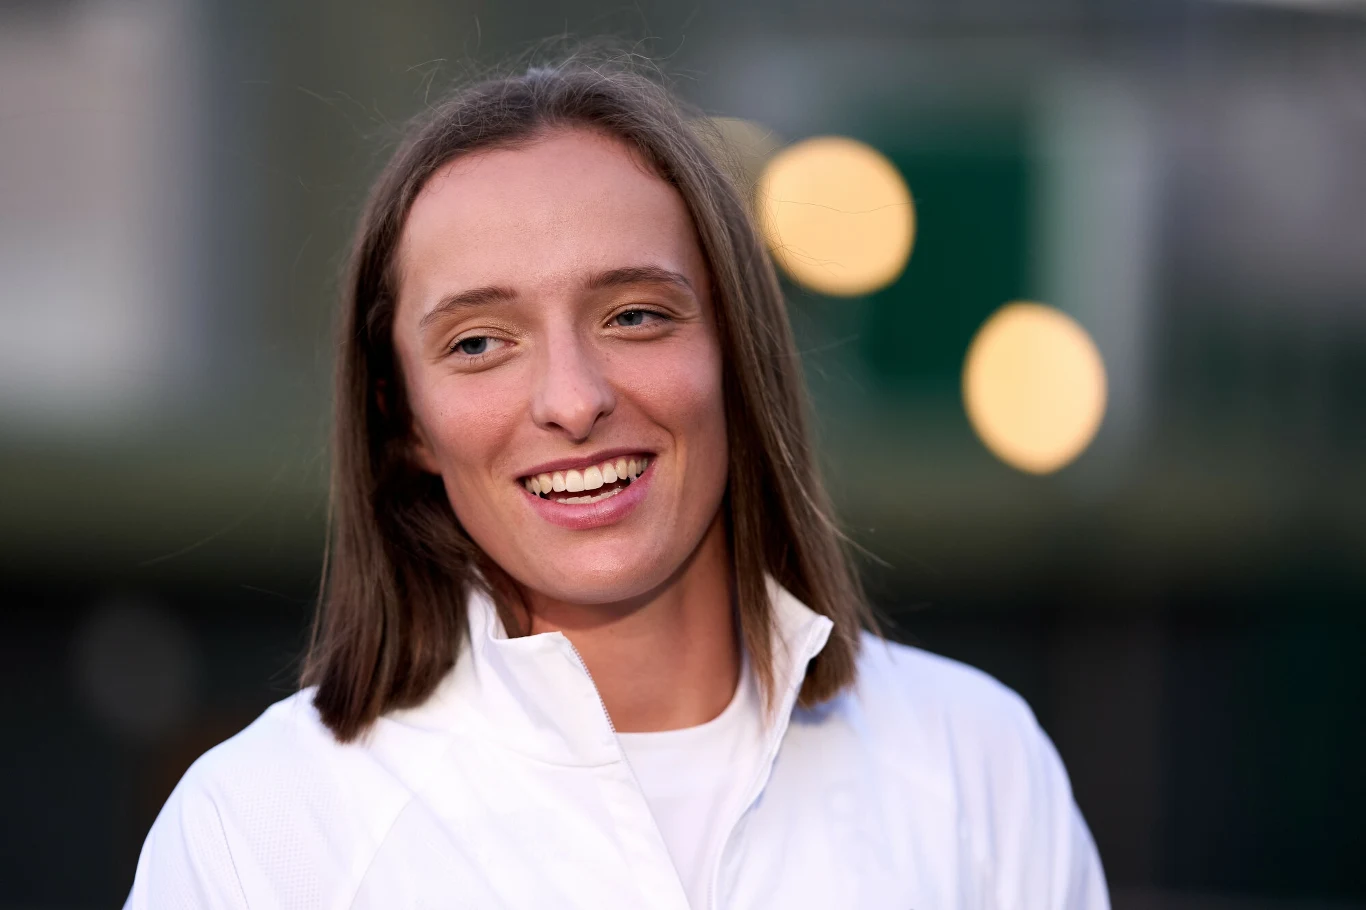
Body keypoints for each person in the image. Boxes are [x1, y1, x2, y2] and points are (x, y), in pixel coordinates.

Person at [125, 52, 1109, 910]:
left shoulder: (974, 765)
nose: (572, 398)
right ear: (403, 418)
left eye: (635, 315)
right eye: (478, 342)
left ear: (736, 350)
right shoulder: (259, 833)